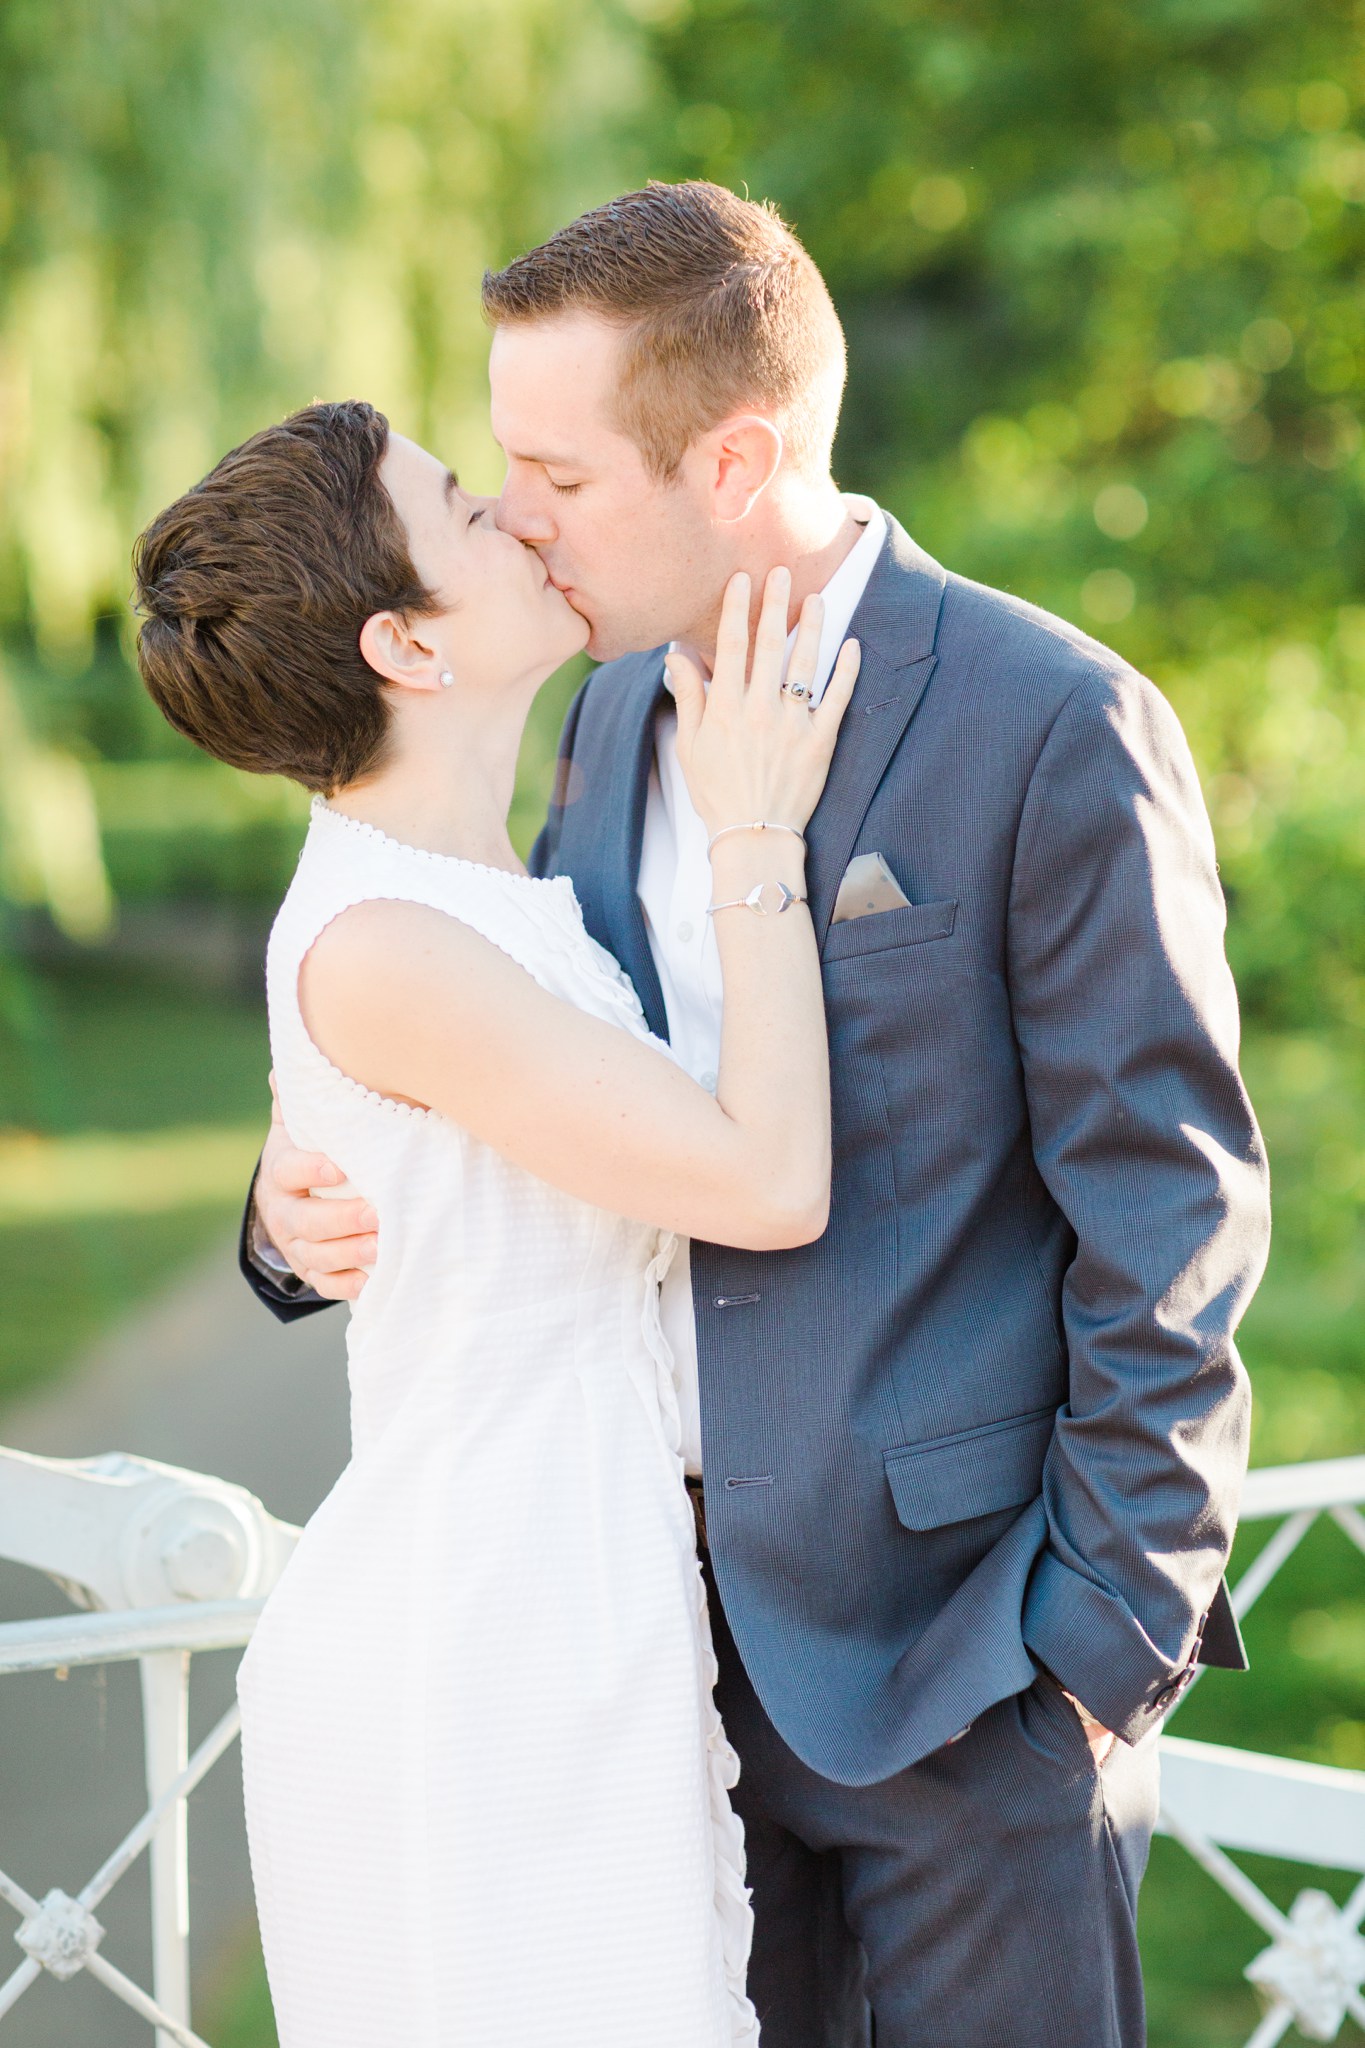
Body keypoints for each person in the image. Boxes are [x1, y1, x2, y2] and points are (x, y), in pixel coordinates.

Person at [244, 184, 1272, 2046]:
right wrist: (293, 1202)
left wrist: (1094, 1653)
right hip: (636, 1673)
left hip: (968, 1671)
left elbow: (1170, 1212)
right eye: (498, 468)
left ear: (729, 458)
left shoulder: (1046, 720)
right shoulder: (599, 712)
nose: (517, 514)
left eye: (554, 473)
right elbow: (531, 1071)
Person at [134, 395, 862, 2047]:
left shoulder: (479, 887)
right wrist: (754, 831)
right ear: (406, 645)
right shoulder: (388, 944)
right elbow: (763, 1183)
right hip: (479, 1649)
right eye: (468, 511)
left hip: (575, 1600)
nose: (522, 519)